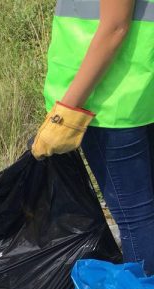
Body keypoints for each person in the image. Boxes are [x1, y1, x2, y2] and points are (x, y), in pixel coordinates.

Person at [32, 0, 154, 274]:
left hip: (108, 101)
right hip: (139, 92)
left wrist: (66, 112)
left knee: (136, 218)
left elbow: (114, 27)